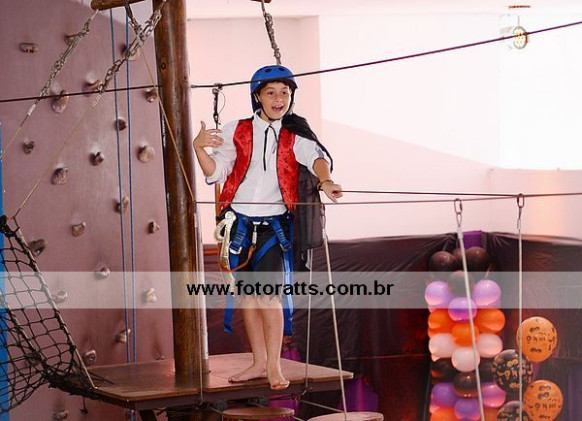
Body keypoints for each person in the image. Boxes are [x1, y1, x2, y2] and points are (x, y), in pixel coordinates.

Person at [193, 65, 342, 391]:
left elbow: (317, 158)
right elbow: (216, 172)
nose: (279, 99)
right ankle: (258, 362)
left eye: (284, 93)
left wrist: (326, 181)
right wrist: (199, 148)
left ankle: (274, 365)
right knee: (248, 298)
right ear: (257, 96)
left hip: (273, 231)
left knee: (268, 297)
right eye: (271, 93)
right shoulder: (236, 130)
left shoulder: (294, 136)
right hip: (238, 227)